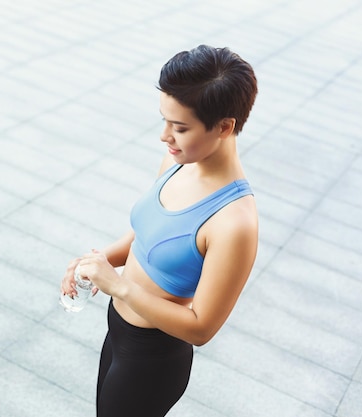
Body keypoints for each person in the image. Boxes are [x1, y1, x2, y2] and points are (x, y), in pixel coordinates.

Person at [60, 44, 259, 417]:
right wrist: (95, 261)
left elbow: (201, 328)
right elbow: (146, 237)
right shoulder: (177, 160)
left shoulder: (234, 222)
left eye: (180, 127)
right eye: (165, 120)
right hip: (118, 332)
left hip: (152, 359)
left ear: (225, 126)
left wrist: (118, 285)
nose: (165, 136)